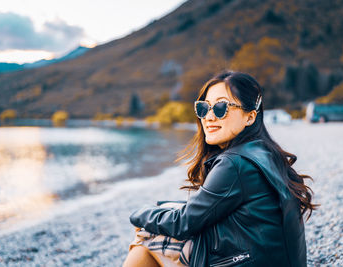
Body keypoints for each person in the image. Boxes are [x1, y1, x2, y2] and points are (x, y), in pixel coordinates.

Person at [123, 71, 318, 267]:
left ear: (249, 117)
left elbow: (184, 223)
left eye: (220, 108)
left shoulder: (234, 164)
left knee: (145, 237)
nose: (208, 117)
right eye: (203, 108)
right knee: (162, 217)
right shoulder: (264, 152)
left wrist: (139, 214)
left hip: (249, 260)